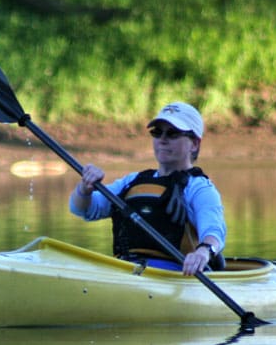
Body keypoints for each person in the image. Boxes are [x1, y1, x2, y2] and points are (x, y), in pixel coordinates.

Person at [70, 102, 226, 276]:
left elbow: (214, 233)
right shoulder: (132, 181)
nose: (163, 139)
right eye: (157, 132)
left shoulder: (199, 188)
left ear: (195, 144)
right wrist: (85, 188)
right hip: (127, 271)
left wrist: (203, 251)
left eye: (172, 133)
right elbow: (83, 209)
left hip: (174, 277)